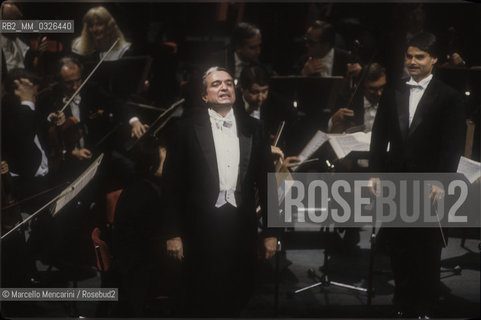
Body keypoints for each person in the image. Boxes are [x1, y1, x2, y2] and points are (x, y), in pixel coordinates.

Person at [162, 67, 278, 316]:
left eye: (228, 83)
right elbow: (171, 185)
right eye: (216, 84)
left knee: (238, 295)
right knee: (201, 297)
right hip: (199, 227)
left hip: (241, 227)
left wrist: (271, 232)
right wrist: (172, 233)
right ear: (204, 96)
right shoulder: (185, 128)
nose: (224, 87)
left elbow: (268, 181)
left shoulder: (254, 128)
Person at [369, 32, 466, 318]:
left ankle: (425, 305)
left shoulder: (449, 97)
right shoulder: (393, 91)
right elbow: (379, 136)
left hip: (429, 182)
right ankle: (402, 302)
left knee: (425, 247)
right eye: (409, 56)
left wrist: (442, 180)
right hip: (396, 180)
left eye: (419, 56)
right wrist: (375, 173)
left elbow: (453, 144)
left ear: (434, 59)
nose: (412, 61)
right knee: (399, 246)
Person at [113, 135, 170, 317]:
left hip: (134, 266)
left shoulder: (138, 188)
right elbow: (154, 242)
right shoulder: (145, 197)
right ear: (149, 167)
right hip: (141, 274)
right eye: (166, 164)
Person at [329, 62, 387, 133]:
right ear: (361, 87)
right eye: (372, 89)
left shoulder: (395, 102)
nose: (379, 93)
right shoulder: (348, 102)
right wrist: (335, 124)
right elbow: (332, 132)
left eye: (382, 87)